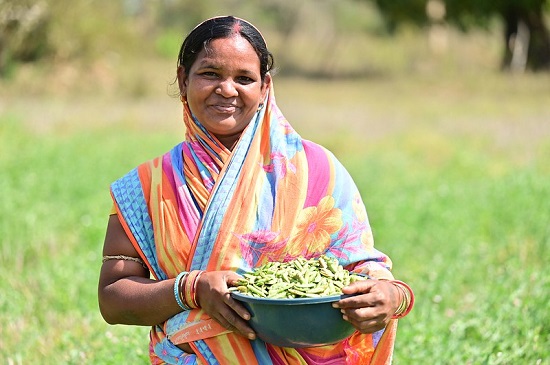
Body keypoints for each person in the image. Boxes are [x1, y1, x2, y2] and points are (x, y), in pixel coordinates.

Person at [98, 16, 414, 365]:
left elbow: (361, 268)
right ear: (183, 78)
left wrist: (391, 296)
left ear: (264, 87)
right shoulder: (147, 187)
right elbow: (114, 298)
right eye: (210, 74)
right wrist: (192, 288)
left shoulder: (315, 169)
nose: (227, 90)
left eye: (244, 79)